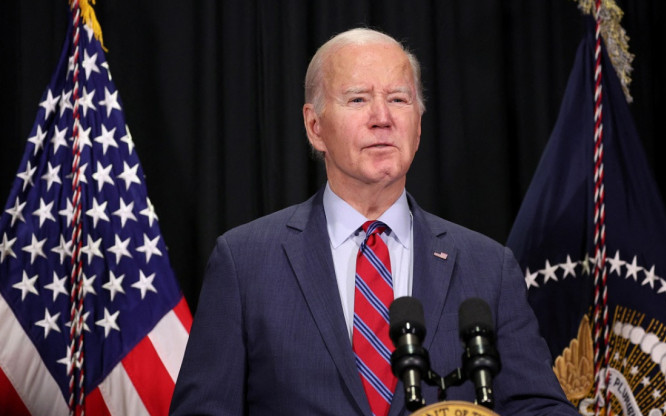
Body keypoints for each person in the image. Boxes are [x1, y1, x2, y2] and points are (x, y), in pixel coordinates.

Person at [170, 28, 579, 415]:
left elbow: (539, 407)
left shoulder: (488, 267)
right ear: (315, 127)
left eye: (399, 100)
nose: (382, 117)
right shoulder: (245, 263)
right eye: (358, 99)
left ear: (417, 127)